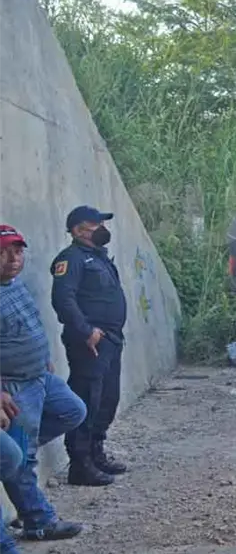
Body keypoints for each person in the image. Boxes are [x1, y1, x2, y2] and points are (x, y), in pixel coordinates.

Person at [0, 224, 86, 546]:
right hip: (14, 387)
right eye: (3, 253)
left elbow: (31, 323)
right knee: (21, 458)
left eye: (17, 251)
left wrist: (45, 356)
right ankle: (39, 521)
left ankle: (20, 453)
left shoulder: (14, 285)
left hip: (39, 376)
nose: (13, 259)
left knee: (73, 411)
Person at [48, 206, 128, 486]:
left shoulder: (99, 257)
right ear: (78, 230)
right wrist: (86, 332)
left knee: (107, 399)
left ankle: (96, 453)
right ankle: (80, 465)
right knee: (87, 399)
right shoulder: (71, 259)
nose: (103, 228)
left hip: (110, 340)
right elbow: (63, 299)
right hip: (90, 343)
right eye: (96, 224)